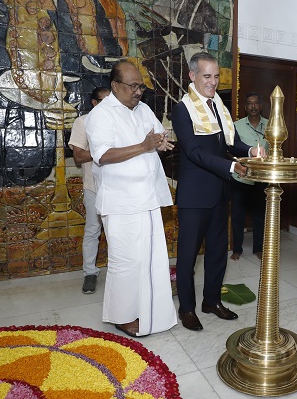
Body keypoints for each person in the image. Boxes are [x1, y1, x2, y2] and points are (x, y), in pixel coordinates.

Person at [172, 52, 265, 331]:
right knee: (188, 257)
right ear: (192, 76)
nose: (213, 82)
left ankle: (211, 301)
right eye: (206, 76)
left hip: (219, 193)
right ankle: (187, 308)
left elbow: (231, 141)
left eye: (216, 76)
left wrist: (249, 150)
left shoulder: (219, 105)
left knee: (217, 253)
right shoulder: (183, 108)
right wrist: (232, 167)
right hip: (194, 195)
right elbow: (194, 151)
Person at [85, 61, 177, 337]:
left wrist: (160, 143)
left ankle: (148, 307)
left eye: (141, 86)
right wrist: (144, 146)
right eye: (132, 86)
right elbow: (102, 155)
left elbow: (156, 136)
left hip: (148, 197)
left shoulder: (144, 109)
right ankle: (122, 317)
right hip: (121, 202)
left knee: (149, 259)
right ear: (115, 86)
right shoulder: (101, 115)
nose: (138, 91)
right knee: (125, 262)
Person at [69, 87, 110, 294]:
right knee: (93, 230)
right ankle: (90, 273)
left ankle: (118, 272)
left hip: (116, 187)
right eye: (103, 101)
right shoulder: (83, 122)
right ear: (94, 103)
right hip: (93, 186)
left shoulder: (118, 121)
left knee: (117, 231)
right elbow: (78, 157)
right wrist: (107, 152)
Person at [230, 92, 269, 261]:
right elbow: (231, 148)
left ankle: (258, 248)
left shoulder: (270, 126)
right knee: (237, 216)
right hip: (241, 177)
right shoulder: (236, 126)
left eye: (256, 103)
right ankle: (237, 249)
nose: (253, 106)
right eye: (249, 103)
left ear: (260, 106)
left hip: (261, 178)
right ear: (245, 107)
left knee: (259, 216)